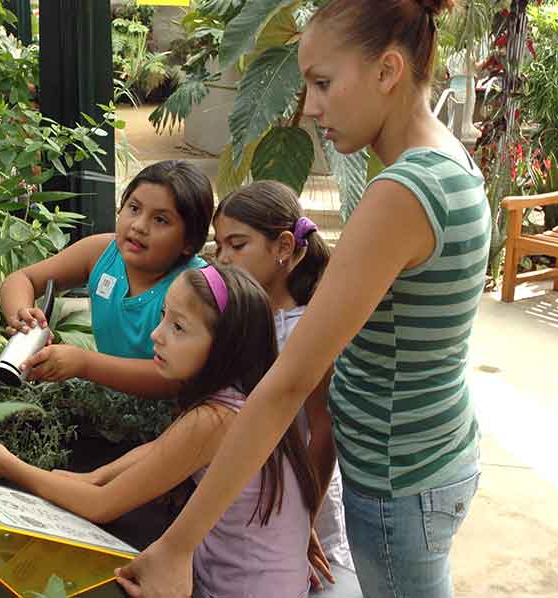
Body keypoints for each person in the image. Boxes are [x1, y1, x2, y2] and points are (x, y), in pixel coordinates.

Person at [117, 1, 489, 597]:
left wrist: (177, 546)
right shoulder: (452, 162)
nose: (311, 107)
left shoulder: (402, 194)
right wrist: (310, 500)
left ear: (387, 71)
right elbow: (373, 361)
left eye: (322, 83)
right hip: (432, 455)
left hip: (400, 479)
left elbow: (289, 384)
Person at [0, 265, 322, 597]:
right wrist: (87, 479)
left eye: (179, 327)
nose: (157, 334)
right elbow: (155, 454)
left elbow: (101, 505)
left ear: (224, 345)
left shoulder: (213, 419)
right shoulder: (241, 400)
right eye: (163, 316)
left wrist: (7, 465)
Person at [213, 181, 359, 597]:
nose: (223, 258)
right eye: (219, 245)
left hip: (305, 491)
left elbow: (323, 430)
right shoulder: (242, 311)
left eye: (237, 245)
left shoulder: (310, 326)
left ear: (282, 246)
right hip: (255, 487)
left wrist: (303, 519)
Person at [0, 160, 213, 398]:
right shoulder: (101, 252)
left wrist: (85, 364)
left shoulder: (195, 287)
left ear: (190, 242)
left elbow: (176, 379)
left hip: (173, 419)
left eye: (160, 220)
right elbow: (21, 278)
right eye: (134, 208)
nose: (139, 226)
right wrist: (23, 318)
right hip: (109, 406)